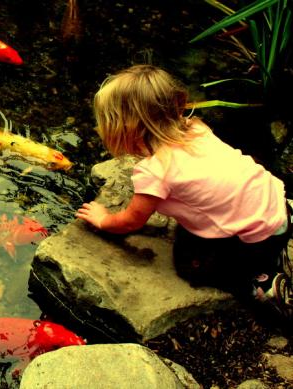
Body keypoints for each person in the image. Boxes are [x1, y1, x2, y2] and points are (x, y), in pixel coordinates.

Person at [75, 64, 293, 318]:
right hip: (278, 207)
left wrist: (103, 219)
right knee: (189, 233)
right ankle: (272, 251)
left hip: (257, 236)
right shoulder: (196, 127)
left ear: (126, 127)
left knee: (191, 265)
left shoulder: (156, 172)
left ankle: (260, 284)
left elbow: (131, 221)